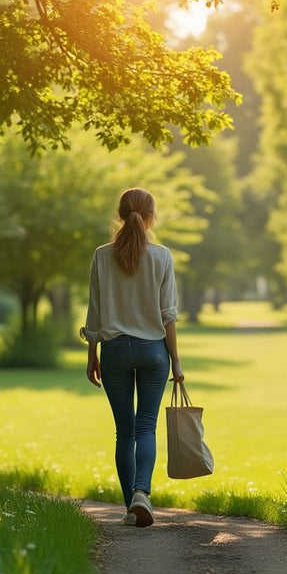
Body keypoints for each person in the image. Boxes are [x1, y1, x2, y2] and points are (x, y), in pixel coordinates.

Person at [80, 187, 184, 528]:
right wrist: (177, 364)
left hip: (114, 351)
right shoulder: (162, 256)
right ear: (151, 217)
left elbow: (95, 311)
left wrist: (92, 354)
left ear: (121, 215)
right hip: (154, 351)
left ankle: (131, 508)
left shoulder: (101, 256)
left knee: (124, 432)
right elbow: (168, 315)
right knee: (146, 427)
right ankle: (143, 492)